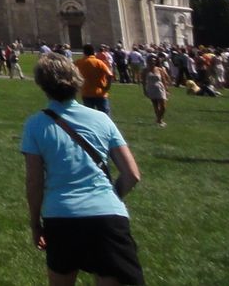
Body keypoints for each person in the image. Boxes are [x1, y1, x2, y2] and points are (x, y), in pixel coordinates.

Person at [21, 52, 144, 286]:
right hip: (108, 216)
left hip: (61, 216)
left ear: (42, 86)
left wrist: (35, 223)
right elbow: (132, 175)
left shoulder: (35, 125)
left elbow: (34, 183)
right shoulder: (102, 120)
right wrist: (109, 197)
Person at [76, 45, 114, 116]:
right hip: (100, 93)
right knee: (105, 116)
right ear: (94, 52)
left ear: (84, 52)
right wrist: (107, 86)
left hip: (86, 93)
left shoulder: (78, 62)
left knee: (90, 117)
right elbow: (110, 75)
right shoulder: (98, 62)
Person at [141, 54, 169, 127]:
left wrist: (166, 89)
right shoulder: (145, 70)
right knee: (155, 105)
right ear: (148, 61)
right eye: (151, 61)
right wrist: (144, 90)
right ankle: (160, 121)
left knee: (163, 106)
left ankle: (158, 120)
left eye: (154, 61)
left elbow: (163, 80)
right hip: (151, 88)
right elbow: (143, 81)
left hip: (160, 88)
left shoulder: (159, 69)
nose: (152, 62)